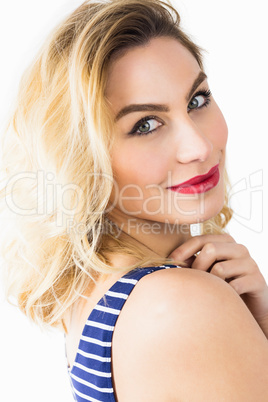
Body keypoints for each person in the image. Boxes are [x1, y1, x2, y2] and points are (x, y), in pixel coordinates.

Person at [1, 0, 268, 400]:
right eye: (145, 124)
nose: (198, 146)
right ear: (82, 158)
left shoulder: (102, 292)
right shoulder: (179, 305)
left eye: (197, 100)